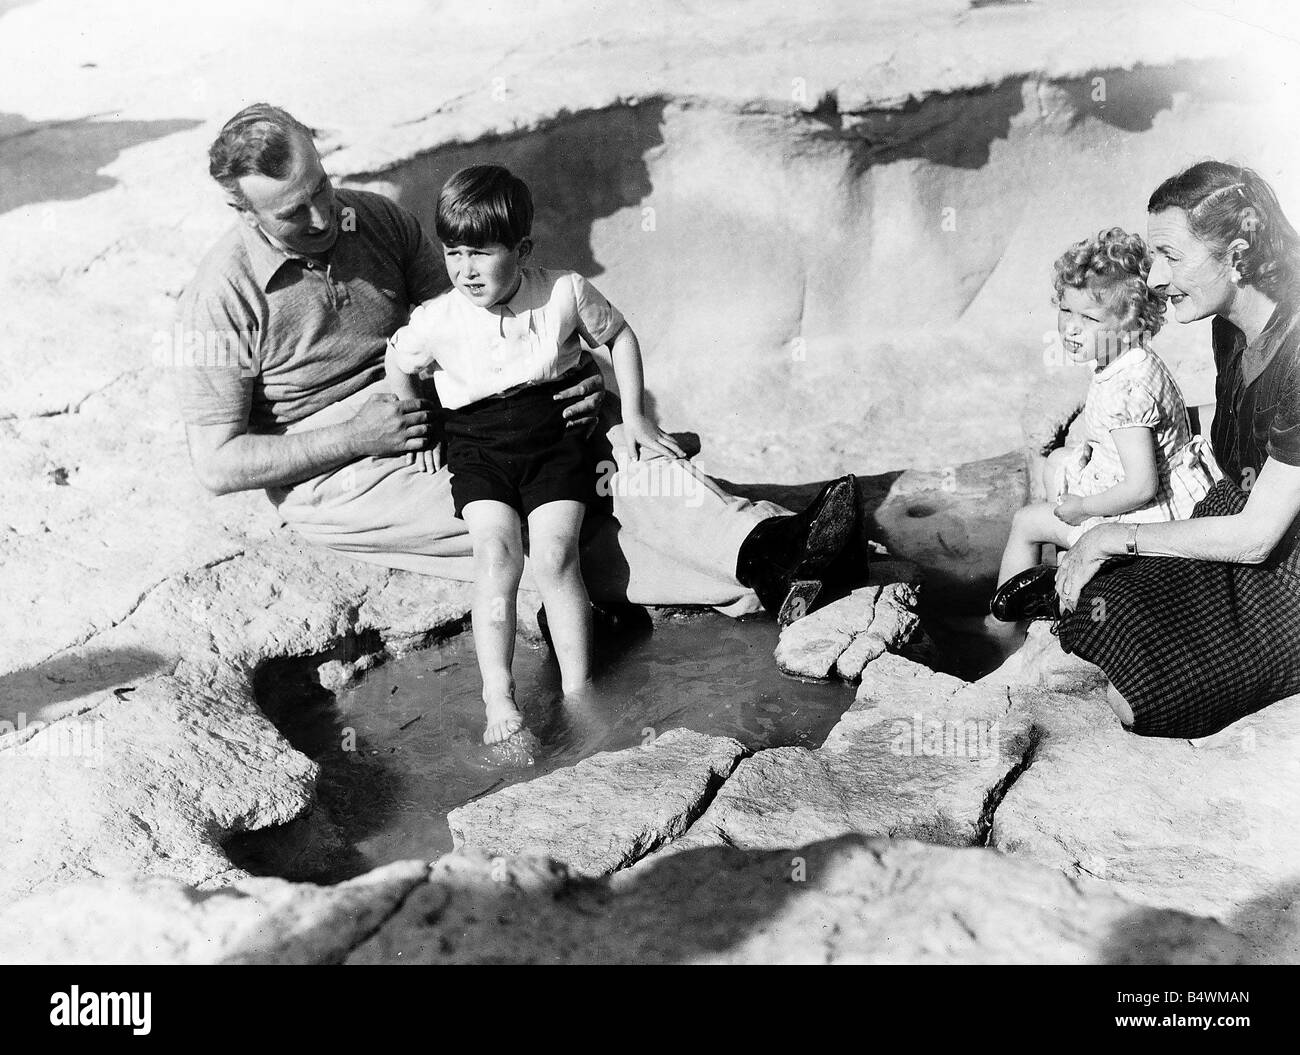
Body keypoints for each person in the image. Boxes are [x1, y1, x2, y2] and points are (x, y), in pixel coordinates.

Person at [172, 104, 862, 671]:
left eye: (322, 186)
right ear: (240, 209)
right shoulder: (220, 295)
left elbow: (475, 323)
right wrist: (359, 434)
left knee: (601, 435)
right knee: (544, 519)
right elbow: (218, 462)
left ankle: (769, 546)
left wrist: (577, 379)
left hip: (447, 402)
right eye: (296, 212)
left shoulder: (371, 219)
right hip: (345, 472)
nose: (325, 218)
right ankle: (756, 568)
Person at [385, 164, 687, 744]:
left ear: (521, 249)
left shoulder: (563, 292)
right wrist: (418, 424)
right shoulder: (437, 319)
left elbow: (619, 336)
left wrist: (634, 416)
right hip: (478, 447)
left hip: (555, 441)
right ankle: (498, 692)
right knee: (496, 557)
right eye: (453, 253)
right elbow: (399, 362)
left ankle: (578, 690)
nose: (465, 269)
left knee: (554, 556)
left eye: (481, 252)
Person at [1026, 161, 1300, 739]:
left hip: (1282, 564)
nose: (1154, 279)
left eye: (1171, 256)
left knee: (1141, 691)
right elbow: (1244, 423)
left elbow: (1256, 538)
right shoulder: (1230, 326)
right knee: (1100, 605)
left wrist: (1113, 535)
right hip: (1234, 516)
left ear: (1237, 254)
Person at [990, 228, 1219, 620]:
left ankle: (1002, 626)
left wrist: (1083, 508)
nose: (1071, 328)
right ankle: (1062, 571)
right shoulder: (1130, 358)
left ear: (1131, 324)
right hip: (1154, 490)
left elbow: (1141, 485)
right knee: (1059, 460)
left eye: (1089, 318)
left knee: (1026, 521)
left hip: (1146, 516)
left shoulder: (1124, 392)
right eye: (1066, 311)